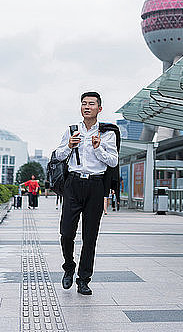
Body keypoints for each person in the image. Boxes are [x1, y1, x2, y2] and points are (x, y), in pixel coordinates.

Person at [55, 91, 118, 295]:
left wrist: (98, 148)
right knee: (66, 233)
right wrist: (69, 146)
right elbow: (57, 155)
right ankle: (68, 267)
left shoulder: (108, 133)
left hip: (96, 185)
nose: (87, 107)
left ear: (99, 109)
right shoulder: (72, 130)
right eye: (84, 103)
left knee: (90, 236)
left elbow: (114, 161)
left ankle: (83, 279)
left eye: (91, 104)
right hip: (73, 184)